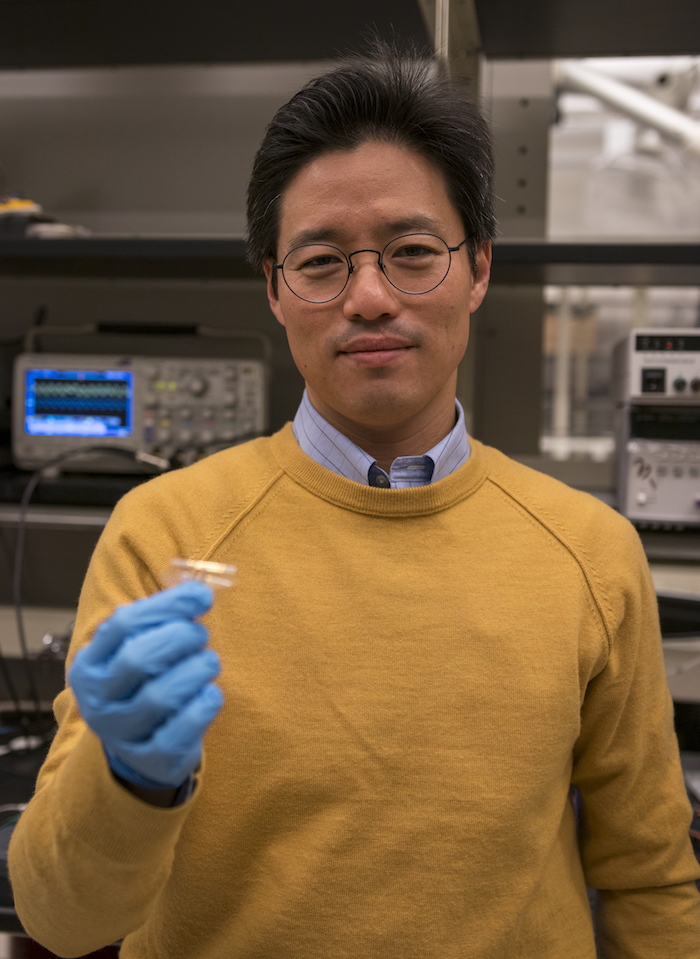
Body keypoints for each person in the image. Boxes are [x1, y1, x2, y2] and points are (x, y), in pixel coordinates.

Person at [8, 44, 700, 959]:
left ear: (479, 267)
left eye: (413, 252)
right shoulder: (164, 533)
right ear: (274, 288)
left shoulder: (590, 550)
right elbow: (61, 919)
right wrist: (129, 776)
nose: (369, 296)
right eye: (322, 261)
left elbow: (650, 879)